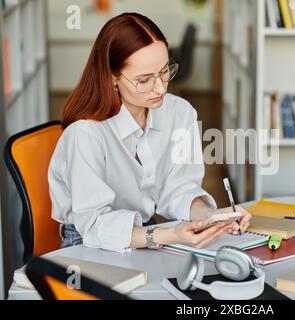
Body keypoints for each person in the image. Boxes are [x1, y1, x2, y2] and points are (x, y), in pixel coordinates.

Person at [48, 13, 251, 253]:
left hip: (146, 229)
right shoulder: (86, 133)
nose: (160, 87)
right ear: (112, 77)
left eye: (165, 71)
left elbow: (180, 186)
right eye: (144, 80)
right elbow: (94, 225)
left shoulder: (180, 112)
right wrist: (169, 234)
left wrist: (209, 216)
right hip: (86, 239)